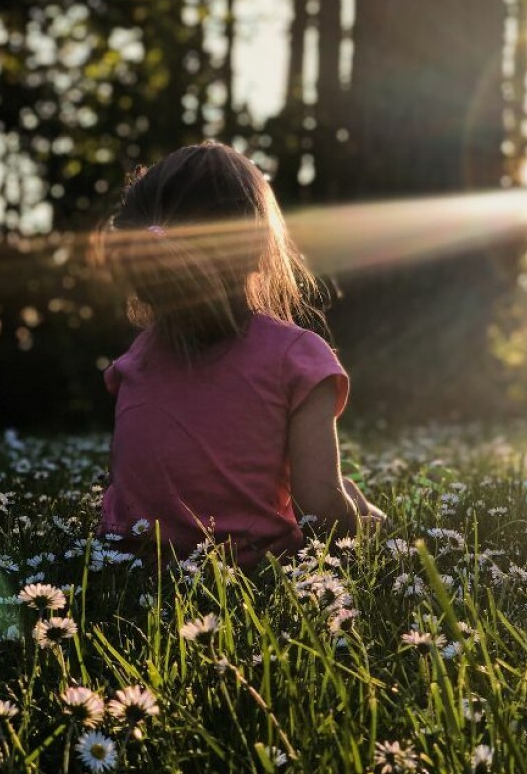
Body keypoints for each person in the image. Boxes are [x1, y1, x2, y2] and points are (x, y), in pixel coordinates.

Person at [96, 141, 385, 568]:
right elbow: (321, 511)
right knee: (349, 498)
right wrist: (370, 527)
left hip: (134, 567)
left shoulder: (135, 361)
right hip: (252, 573)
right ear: (256, 248)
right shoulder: (296, 358)